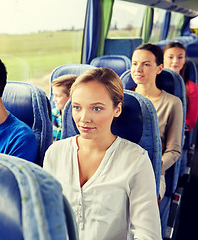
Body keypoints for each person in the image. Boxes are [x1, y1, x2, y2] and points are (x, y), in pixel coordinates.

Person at [43, 68, 161, 240]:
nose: (84, 118)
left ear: (117, 110)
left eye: (96, 108)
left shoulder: (136, 160)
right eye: (77, 107)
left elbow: (148, 235)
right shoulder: (55, 152)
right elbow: (45, 217)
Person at [131, 43, 183, 199]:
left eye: (146, 64)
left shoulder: (172, 103)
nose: (138, 69)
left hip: (152, 172)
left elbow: (174, 151)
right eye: (134, 63)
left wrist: (151, 168)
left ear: (159, 68)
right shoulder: (120, 99)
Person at [163, 41, 198, 131]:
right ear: (163, 59)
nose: (175, 61)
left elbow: (190, 122)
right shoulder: (152, 83)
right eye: (170, 57)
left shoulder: (191, 87)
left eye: (180, 57)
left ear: (184, 60)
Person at [51, 74, 77, 141]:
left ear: (71, 97)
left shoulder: (77, 119)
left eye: (58, 96)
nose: (54, 100)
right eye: (53, 95)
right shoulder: (52, 114)